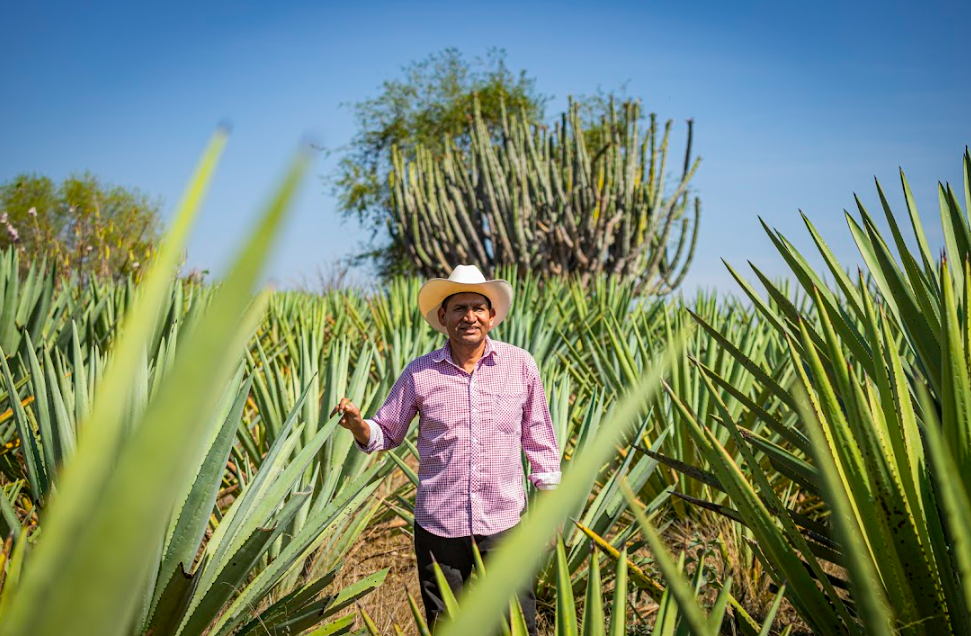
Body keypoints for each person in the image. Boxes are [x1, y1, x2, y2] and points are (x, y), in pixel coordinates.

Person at [332, 264, 561, 636]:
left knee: (516, 622)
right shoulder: (420, 373)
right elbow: (386, 431)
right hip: (440, 524)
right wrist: (359, 424)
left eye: (477, 307)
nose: (469, 316)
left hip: (504, 521)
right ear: (443, 316)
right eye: (459, 308)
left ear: (491, 316)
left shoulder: (520, 366)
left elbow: (540, 438)